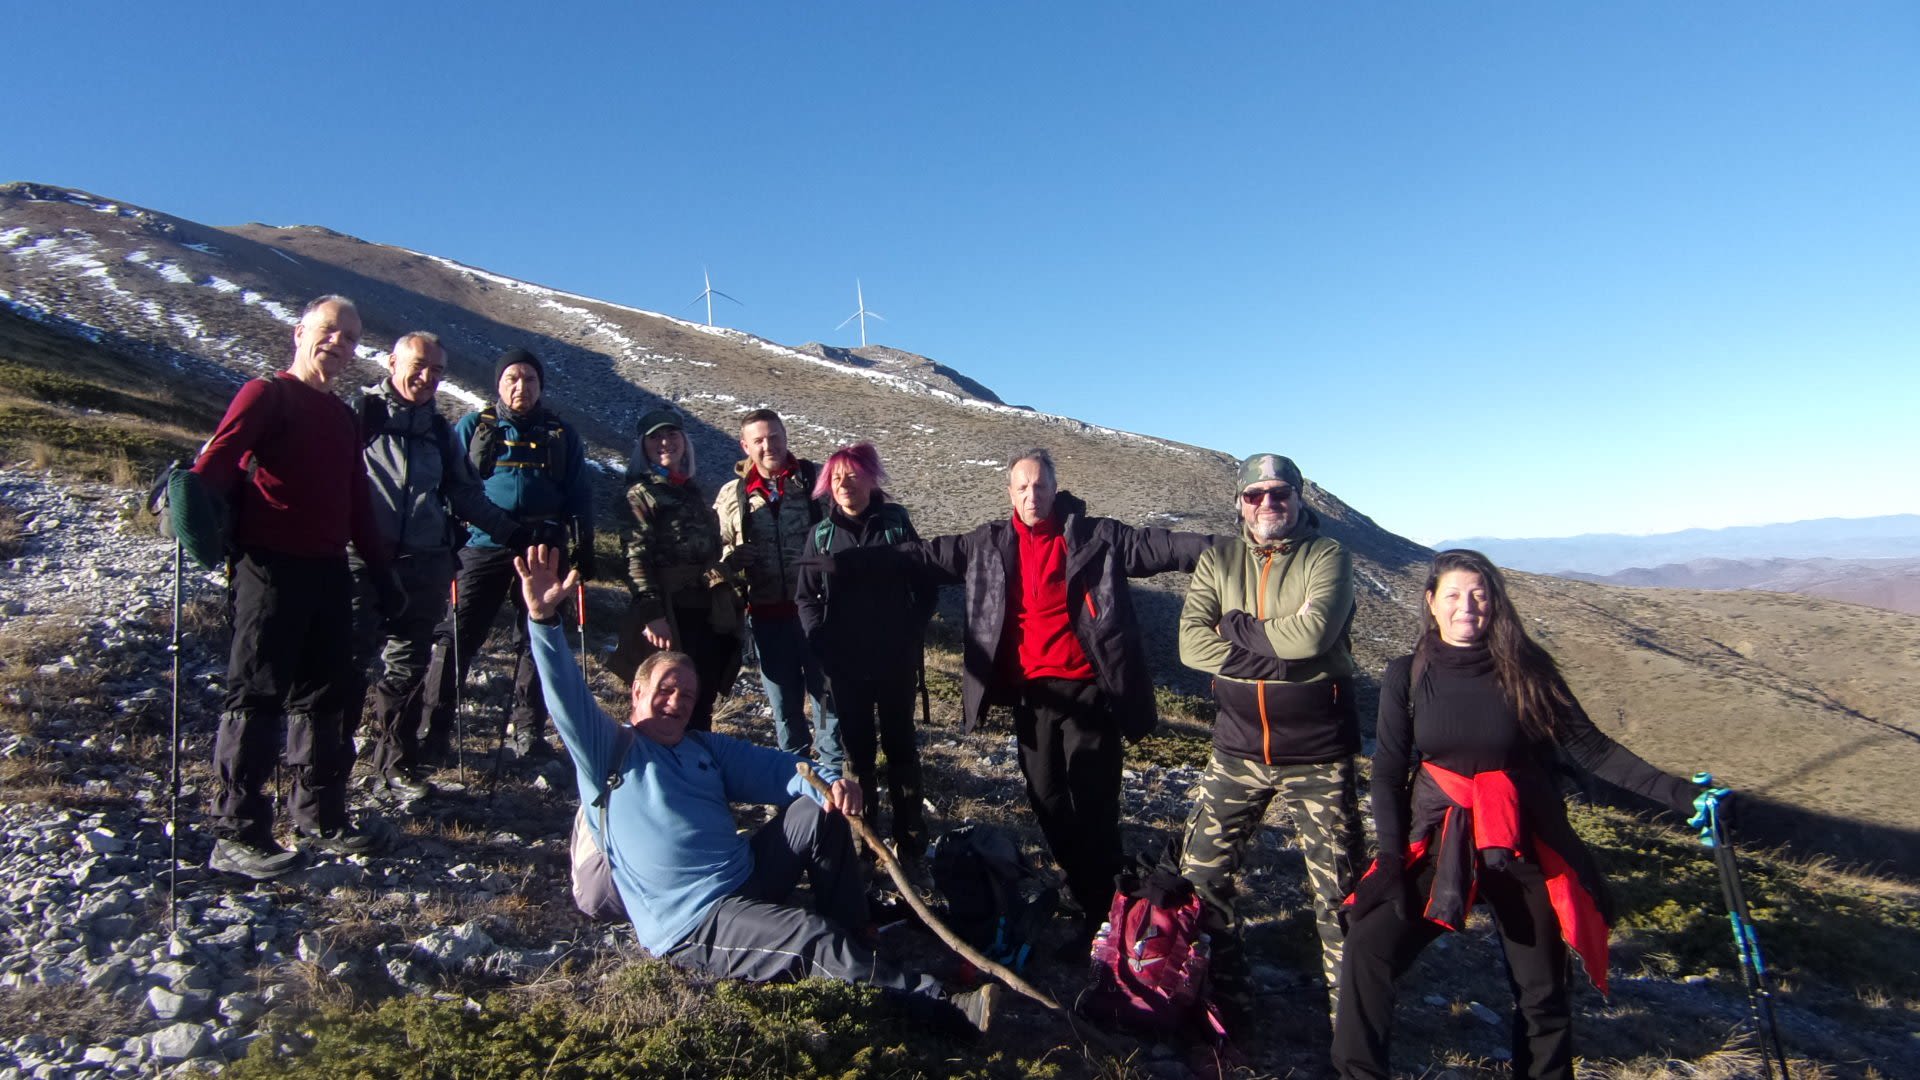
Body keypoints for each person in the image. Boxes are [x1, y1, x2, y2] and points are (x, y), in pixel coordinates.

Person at [515, 544, 997, 1034]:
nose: (677, 702)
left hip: (745, 876)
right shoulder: (608, 751)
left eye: (687, 694)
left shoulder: (701, 747)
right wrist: (543, 620)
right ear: (636, 693)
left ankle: (855, 935)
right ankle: (938, 1006)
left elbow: (781, 769)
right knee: (808, 935)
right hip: (695, 920)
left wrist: (830, 784)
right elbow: (566, 698)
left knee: (818, 811)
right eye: (665, 689)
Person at [1332, 549, 1719, 1080]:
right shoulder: (1408, 674)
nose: (1467, 606)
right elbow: (1388, 773)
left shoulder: (1526, 669)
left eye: (1479, 595)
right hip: (1442, 837)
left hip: (1520, 840)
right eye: (1453, 595)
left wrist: (1684, 796)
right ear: (1431, 602)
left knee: (1542, 994)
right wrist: (1393, 860)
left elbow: (1594, 750)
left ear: (1495, 603)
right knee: (1368, 948)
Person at [828, 448, 1214, 946]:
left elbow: (1161, 546)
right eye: (1023, 487)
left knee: (1094, 803)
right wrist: (845, 565)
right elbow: (923, 556)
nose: (1033, 496)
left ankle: (1102, 913)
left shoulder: (1095, 536)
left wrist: (1229, 548)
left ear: (1055, 489)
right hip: (1034, 696)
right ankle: (1089, 890)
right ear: (1010, 493)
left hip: (1089, 691)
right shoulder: (989, 543)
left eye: (1041, 486)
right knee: (1046, 799)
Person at [190, 295, 388, 878]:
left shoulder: (343, 417)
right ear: (300, 332)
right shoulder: (266, 394)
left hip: (327, 570)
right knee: (256, 694)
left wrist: (381, 570)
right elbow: (219, 460)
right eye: (329, 331)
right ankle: (236, 831)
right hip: (269, 568)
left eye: (349, 338)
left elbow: (356, 499)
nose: (338, 343)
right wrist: (188, 501)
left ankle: (320, 817)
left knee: (326, 696)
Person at [1174, 453, 1363, 1017]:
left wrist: (1232, 628)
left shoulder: (1327, 554)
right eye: (1254, 495)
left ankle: (1352, 1031)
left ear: (1299, 499)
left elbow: (1313, 635)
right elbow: (1189, 644)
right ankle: (1225, 1000)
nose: (1267, 503)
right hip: (1236, 748)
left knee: (1339, 896)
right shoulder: (1219, 559)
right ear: (1239, 503)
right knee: (1200, 879)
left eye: (1279, 493)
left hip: (1317, 753)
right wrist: (1280, 655)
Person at [348, 332, 531, 798]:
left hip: (424, 566)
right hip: (362, 563)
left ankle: (396, 766)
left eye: (437, 370)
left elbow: (466, 495)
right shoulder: (359, 415)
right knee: (348, 665)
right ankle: (328, 778)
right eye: (419, 365)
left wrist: (515, 534)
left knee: (408, 668)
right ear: (392, 362)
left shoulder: (438, 431)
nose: (427, 377)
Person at [421, 347, 594, 760]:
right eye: (512, 378)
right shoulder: (473, 426)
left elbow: (579, 492)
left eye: (530, 379)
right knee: (457, 635)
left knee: (538, 638)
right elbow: (449, 486)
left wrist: (583, 545)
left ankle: (529, 732)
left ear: (540, 385)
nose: (521, 386)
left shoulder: (562, 434)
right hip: (483, 543)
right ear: (498, 384)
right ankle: (432, 731)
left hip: (544, 547)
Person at [796, 443, 937, 860]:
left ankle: (911, 842)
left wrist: (911, 628)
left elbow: (926, 582)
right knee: (856, 753)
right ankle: (862, 843)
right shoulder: (821, 536)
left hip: (895, 662)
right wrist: (819, 640)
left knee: (901, 746)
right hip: (845, 667)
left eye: (854, 475)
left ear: (872, 479)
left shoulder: (896, 526)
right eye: (837, 477)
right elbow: (805, 598)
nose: (845, 485)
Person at [713, 409, 838, 763]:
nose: (768, 446)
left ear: (785, 436)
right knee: (784, 707)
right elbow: (714, 553)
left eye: (774, 437)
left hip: (817, 616)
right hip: (767, 619)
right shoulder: (732, 494)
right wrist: (734, 559)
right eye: (759, 440)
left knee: (827, 702)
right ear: (745, 446)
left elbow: (844, 535)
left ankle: (831, 770)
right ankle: (794, 773)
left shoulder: (816, 485)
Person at [610, 406, 741, 731]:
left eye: (672, 434)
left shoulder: (689, 491)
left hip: (704, 610)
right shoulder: (641, 494)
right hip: (669, 612)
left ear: (684, 442)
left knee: (700, 695)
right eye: (655, 437)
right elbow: (635, 557)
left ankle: (696, 758)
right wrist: (653, 614)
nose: (665, 442)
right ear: (643, 446)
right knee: (666, 696)